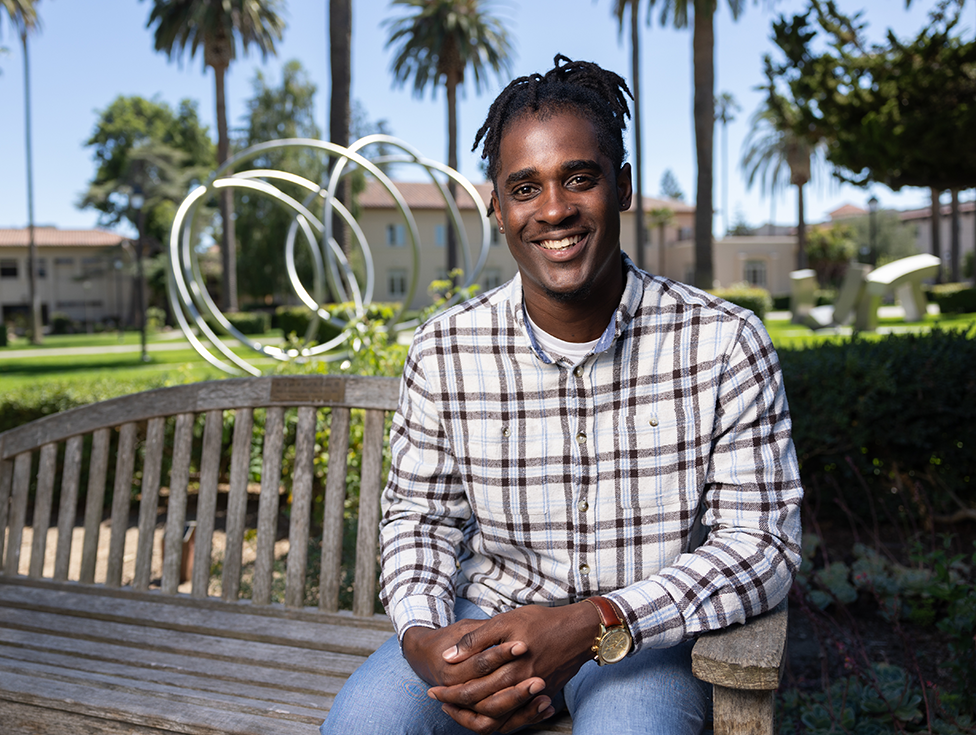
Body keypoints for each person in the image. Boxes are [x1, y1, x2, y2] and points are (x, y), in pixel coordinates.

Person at [322, 54, 802, 735]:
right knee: (364, 726)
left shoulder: (724, 343)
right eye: (525, 188)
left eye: (580, 179)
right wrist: (425, 640)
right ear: (496, 207)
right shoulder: (444, 351)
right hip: (482, 629)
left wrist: (594, 621)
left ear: (623, 186)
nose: (553, 210)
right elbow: (418, 522)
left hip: (642, 645)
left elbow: (761, 546)